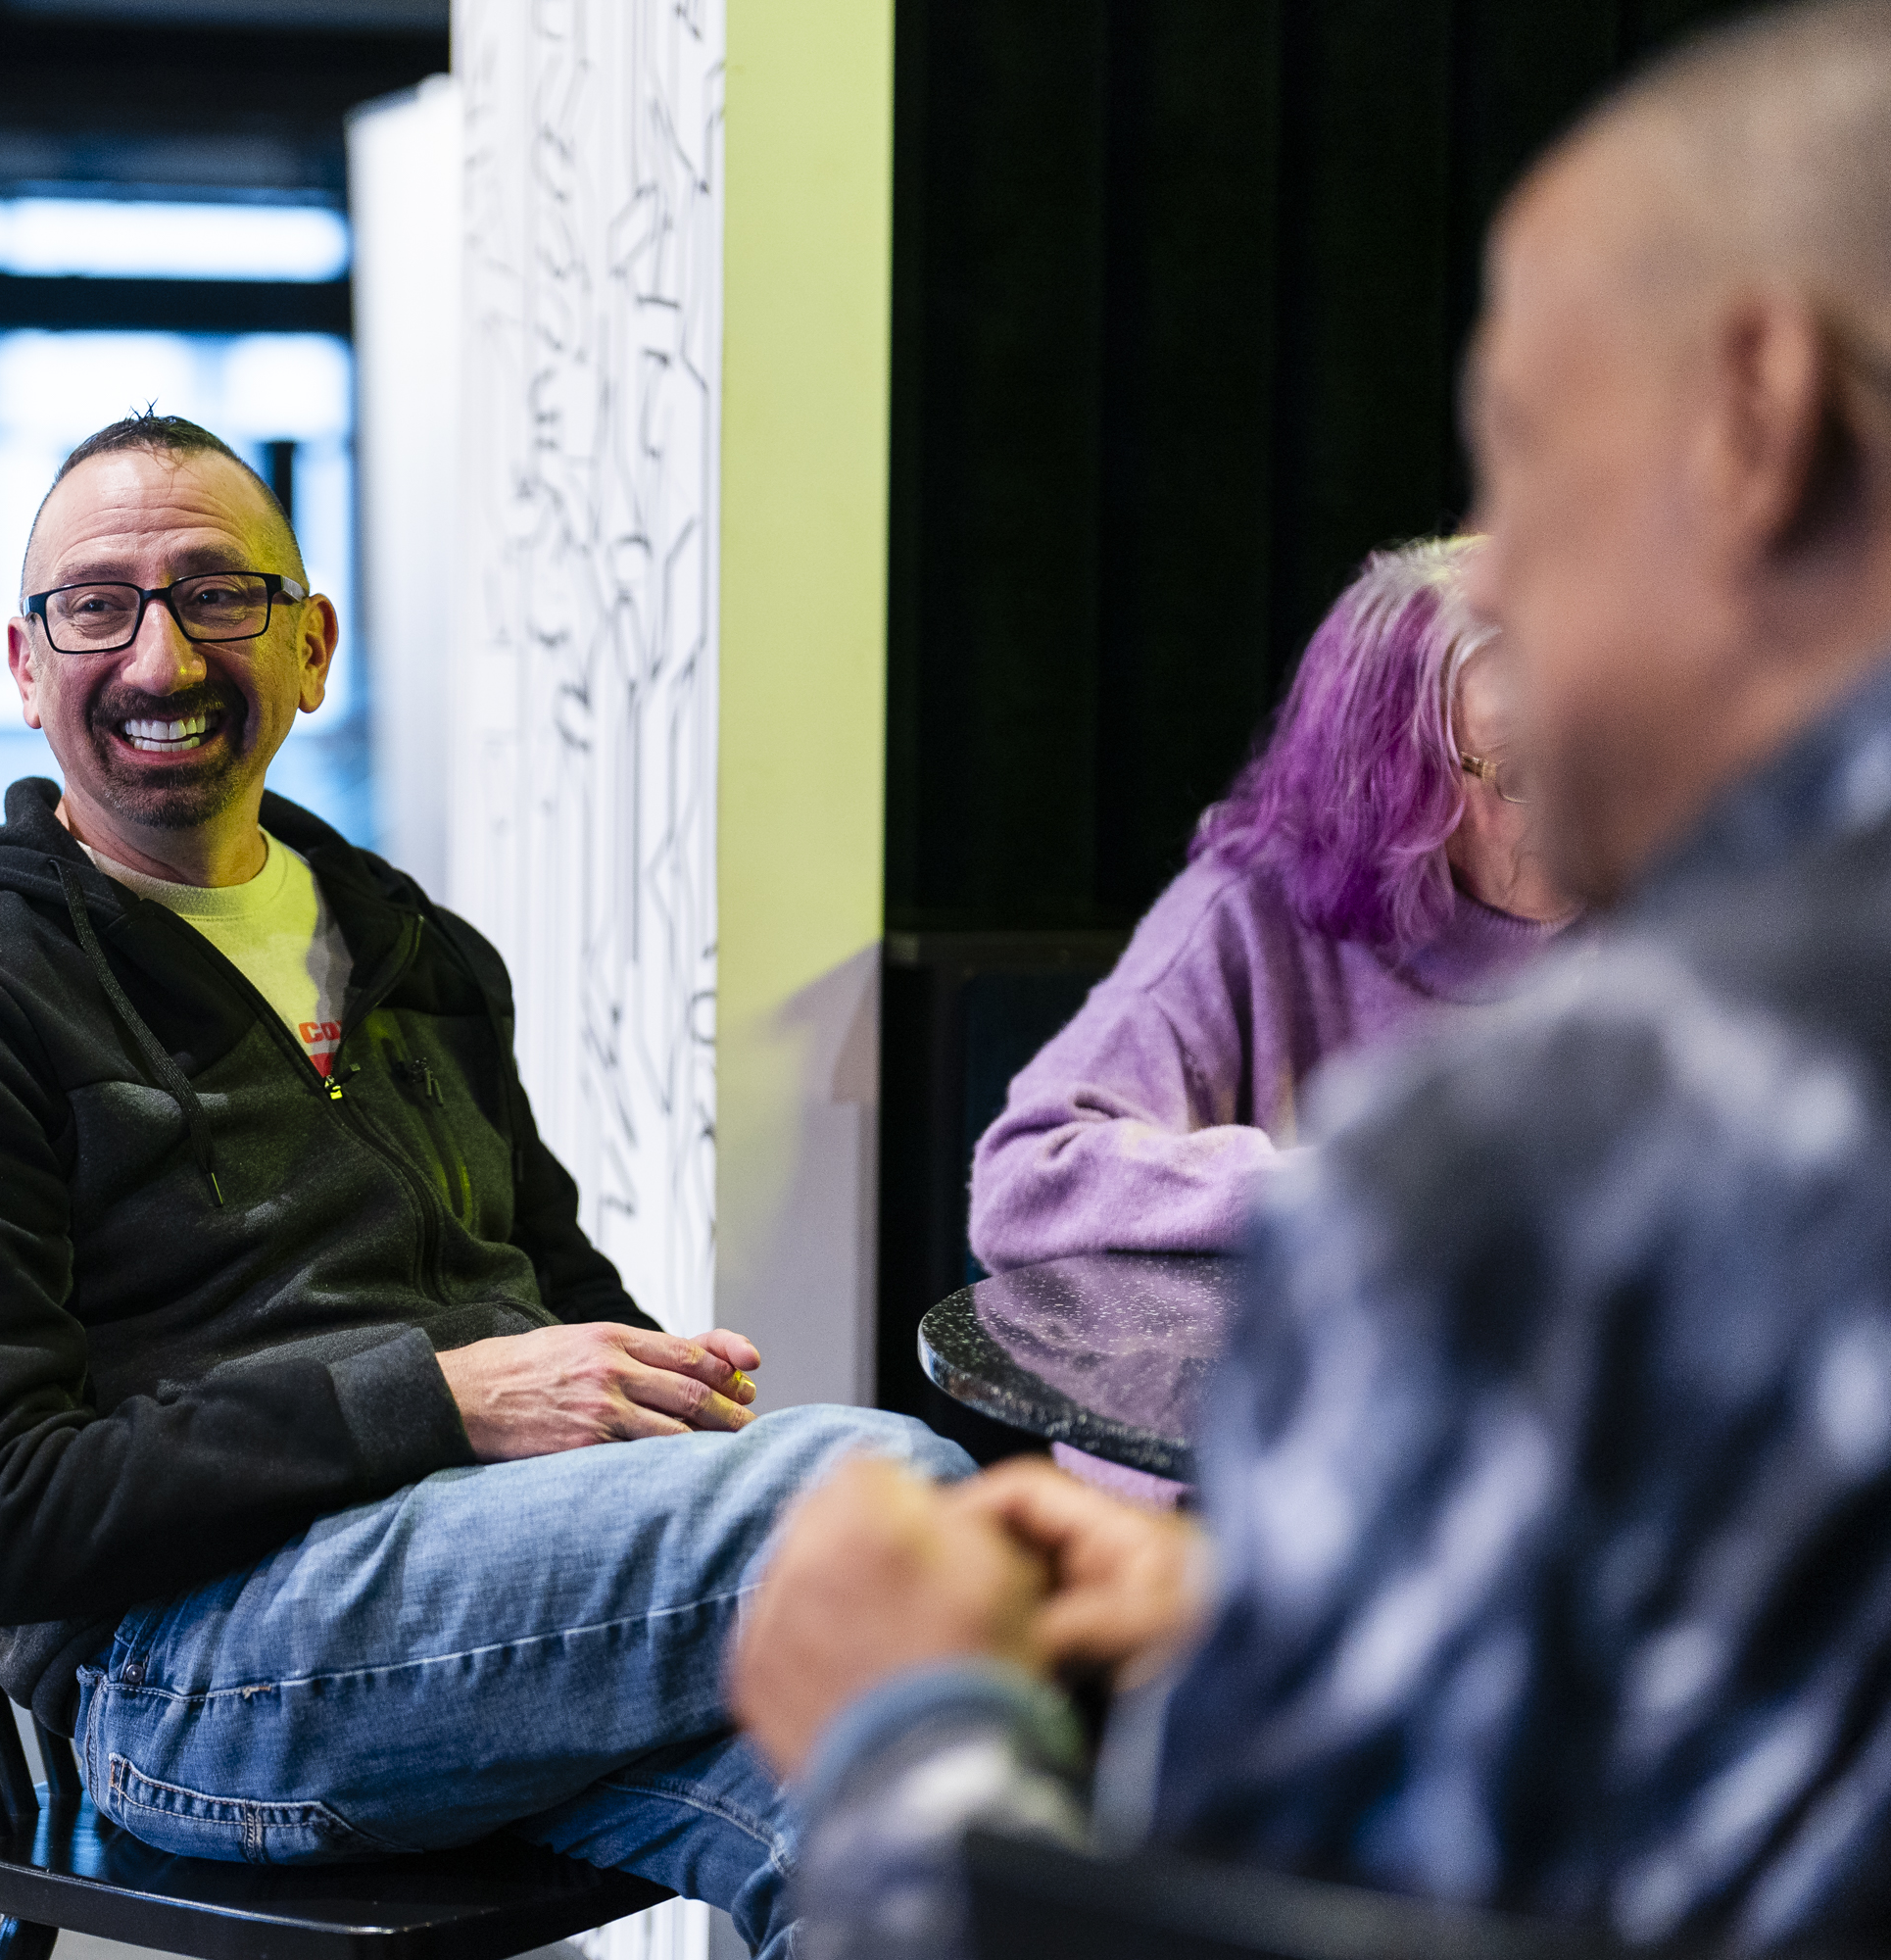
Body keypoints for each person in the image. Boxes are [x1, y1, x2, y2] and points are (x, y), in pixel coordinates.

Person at [728, 3, 1891, 1954]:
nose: (1498, 578)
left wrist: (903, 1747)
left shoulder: (1551, 1152)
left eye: (1521, 448)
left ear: (1757, 411)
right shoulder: (1280, 923)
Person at [0, 413, 967, 1960]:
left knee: (933, 1823)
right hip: (196, 1676)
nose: (158, 660)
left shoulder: (417, 957)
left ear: (311, 647)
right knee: (889, 1507)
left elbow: (559, 1296)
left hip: (484, 1619)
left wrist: (656, 1401)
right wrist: (445, 1398)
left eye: (218, 597)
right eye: (97, 607)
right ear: (27, 669)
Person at [970, 536, 1576, 1280]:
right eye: (1519, 770)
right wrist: (1357, 1187)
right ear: (1399, 785)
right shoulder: (1248, 917)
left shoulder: (1678, 910)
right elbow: (1026, 1178)